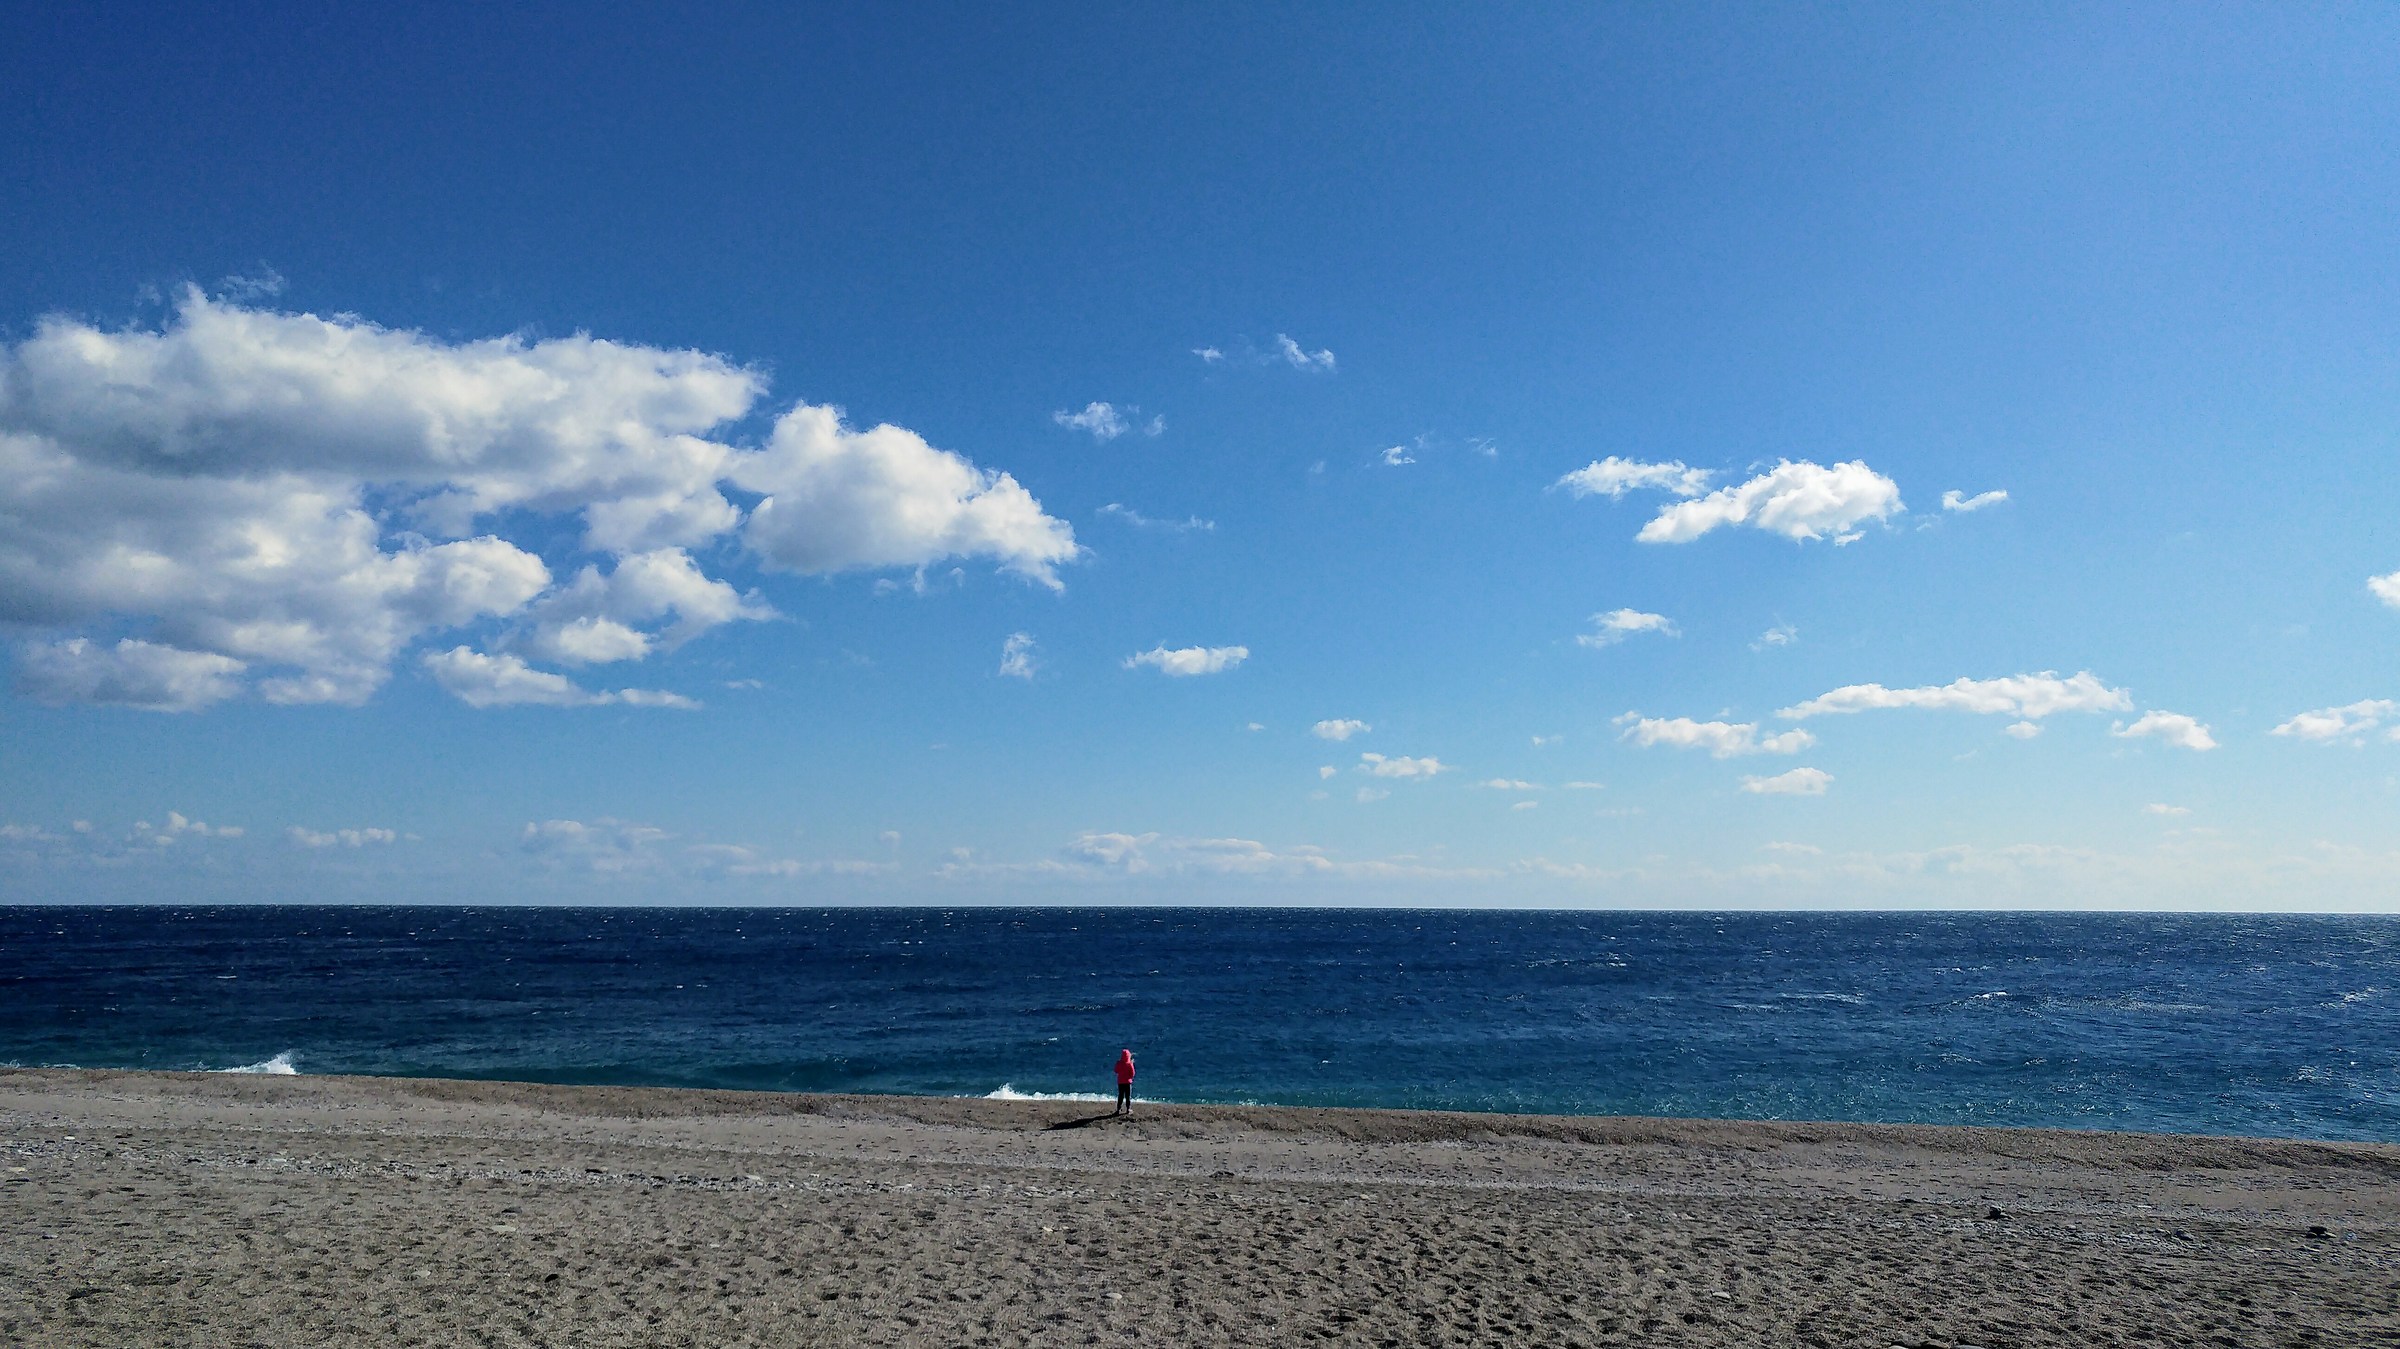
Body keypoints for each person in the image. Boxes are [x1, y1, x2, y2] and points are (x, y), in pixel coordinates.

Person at [1113, 1048, 1136, 1117]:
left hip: (1120, 1082)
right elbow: (1132, 1073)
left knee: (1120, 1096)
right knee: (1128, 1096)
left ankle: (1118, 1109)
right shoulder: (1129, 1064)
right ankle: (1128, 1109)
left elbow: (1116, 1071)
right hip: (1128, 1082)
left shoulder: (1119, 1063)